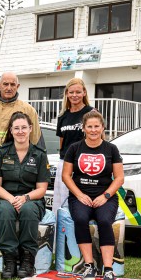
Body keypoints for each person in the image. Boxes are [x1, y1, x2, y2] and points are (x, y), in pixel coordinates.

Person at [61, 110, 124, 280]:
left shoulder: (111, 149)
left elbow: (119, 177)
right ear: (84, 128)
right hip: (80, 196)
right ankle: (89, 265)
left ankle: (109, 268)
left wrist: (106, 195)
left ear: (103, 128)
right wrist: (79, 194)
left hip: (105, 196)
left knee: (104, 221)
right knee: (80, 219)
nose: (93, 130)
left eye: (97, 126)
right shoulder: (74, 148)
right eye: (90, 126)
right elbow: (66, 175)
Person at [0, 112, 50, 280]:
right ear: (11, 130)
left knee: (29, 211)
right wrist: (11, 199)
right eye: (16, 128)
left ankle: (27, 260)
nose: (20, 131)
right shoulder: (2, 152)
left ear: (30, 129)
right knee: (5, 211)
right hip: (5, 197)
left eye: (24, 127)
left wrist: (25, 198)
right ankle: (9, 260)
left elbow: (42, 189)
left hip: (32, 198)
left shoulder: (39, 154)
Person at [0, 72, 41, 208]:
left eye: (12, 84)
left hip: (18, 173)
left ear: (18, 86)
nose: (9, 88)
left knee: (16, 207)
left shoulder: (28, 110)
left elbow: (34, 139)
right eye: (5, 84)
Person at [54, 78, 93, 215]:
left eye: (78, 92)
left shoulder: (91, 113)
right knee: (62, 204)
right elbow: (62, 141)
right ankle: (62, 234)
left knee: (80, 203)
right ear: (66, 93)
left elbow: (100, 139)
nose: (74, 95)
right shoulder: (62, 116)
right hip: (64, 163)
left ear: (84, 93)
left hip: (84, 163)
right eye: (71, 92)